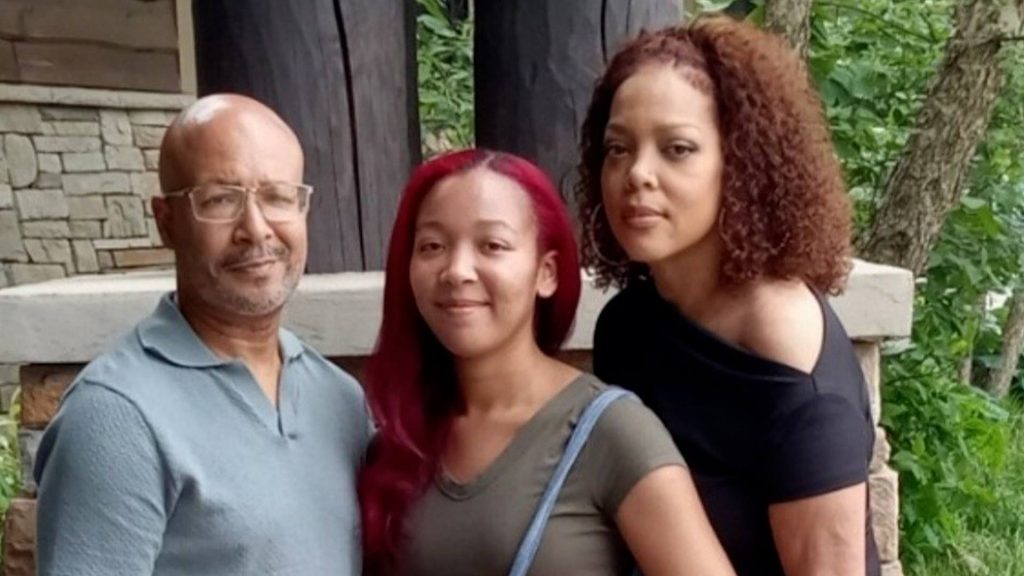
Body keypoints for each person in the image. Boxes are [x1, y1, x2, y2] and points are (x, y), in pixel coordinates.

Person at [577, 16, 881, 576]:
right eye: (617, 149)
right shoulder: (627, 325)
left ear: (739, 166)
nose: (636, 173)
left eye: (677, 149)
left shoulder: (790, 363)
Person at [34, 94, 371, 576]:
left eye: (278, 196)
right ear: (166, 222)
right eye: (220, 200)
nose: (255, 230)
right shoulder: (116, 417)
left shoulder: (338, 400)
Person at [357, 149, 734, 575]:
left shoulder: (609, 431)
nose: (457, 270)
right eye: (432, 246)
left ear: (547, 273)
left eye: (492, 245)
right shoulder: (396, 442)